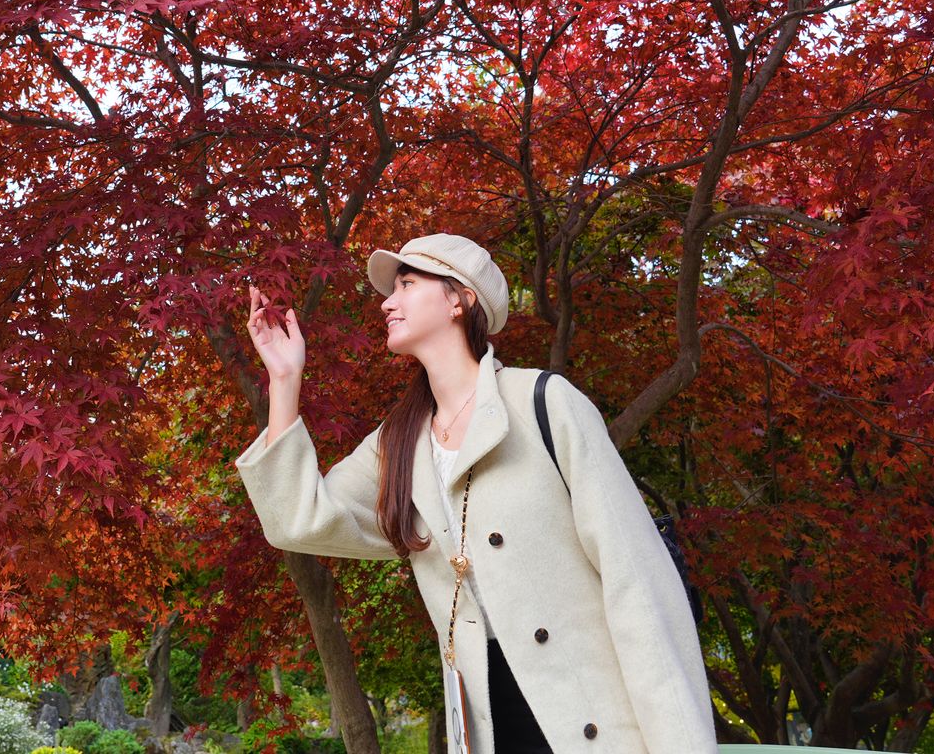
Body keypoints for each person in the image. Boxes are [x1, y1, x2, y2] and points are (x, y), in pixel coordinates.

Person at [234, 234, 717, 754]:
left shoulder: (545, 404)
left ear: (459, 299)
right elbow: (301, 520)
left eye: (407, 283)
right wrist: (284, 379)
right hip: (486, 726)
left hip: (595, 719)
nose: (387, 301)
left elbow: (637, 585)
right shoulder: (398, 444)